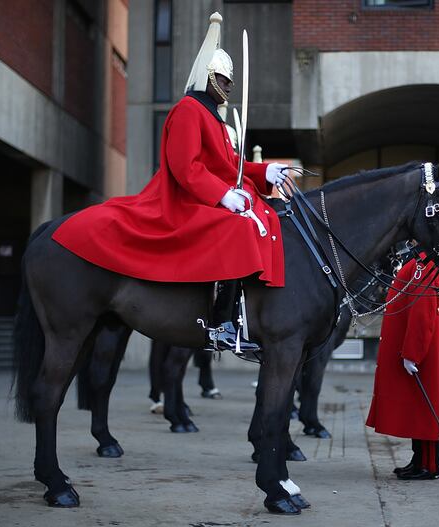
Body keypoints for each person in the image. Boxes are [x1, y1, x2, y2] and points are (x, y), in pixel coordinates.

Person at [51, 12, 287, 353]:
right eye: (223, 79)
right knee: (238, 229)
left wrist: (263, 172)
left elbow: (229, 165)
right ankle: (222, 321)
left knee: (263, 218)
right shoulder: (189, 110)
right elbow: (185, 167)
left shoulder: (215, 119)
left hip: (206, 194)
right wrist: (223, 195)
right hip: (183, 198)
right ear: (208, 77)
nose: (229, 86)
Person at [366, 250, 439, 480]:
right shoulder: (421, 262)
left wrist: (412, 353)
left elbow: (422, 313)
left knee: (426, 406)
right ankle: (419, 460)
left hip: (424, 346)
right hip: (424, 343)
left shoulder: (425, 265)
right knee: (420, 405)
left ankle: (430, 464)